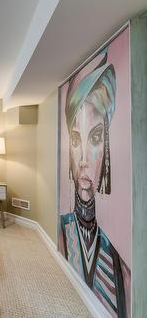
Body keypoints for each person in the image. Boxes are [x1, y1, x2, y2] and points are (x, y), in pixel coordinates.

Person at [60, 52, 130, 318]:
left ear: (108, 146)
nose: (84, 160)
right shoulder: (63, 230)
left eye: (96, 137)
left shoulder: (121, 271)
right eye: (75, 140)